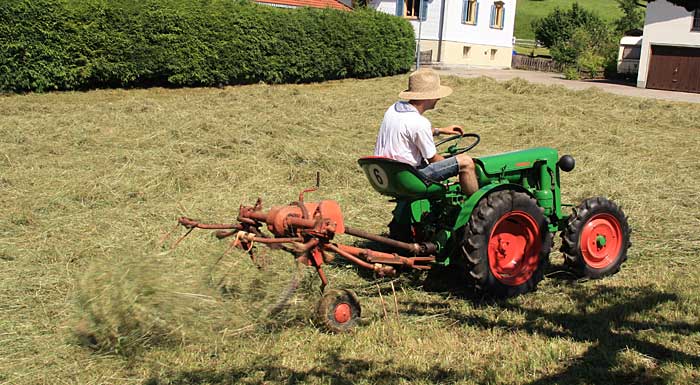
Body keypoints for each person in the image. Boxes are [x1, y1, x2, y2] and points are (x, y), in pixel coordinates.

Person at [373, 68, 479, 195]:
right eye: (437, 94)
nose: (439, 98)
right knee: (466, 162)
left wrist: (440, 131)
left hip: (389, 173)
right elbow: (434, 160)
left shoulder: (394, 109)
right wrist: (454, 165)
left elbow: (409, 131)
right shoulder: (419, 122)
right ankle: (475, 207)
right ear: (429, 96)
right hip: (412, 177)